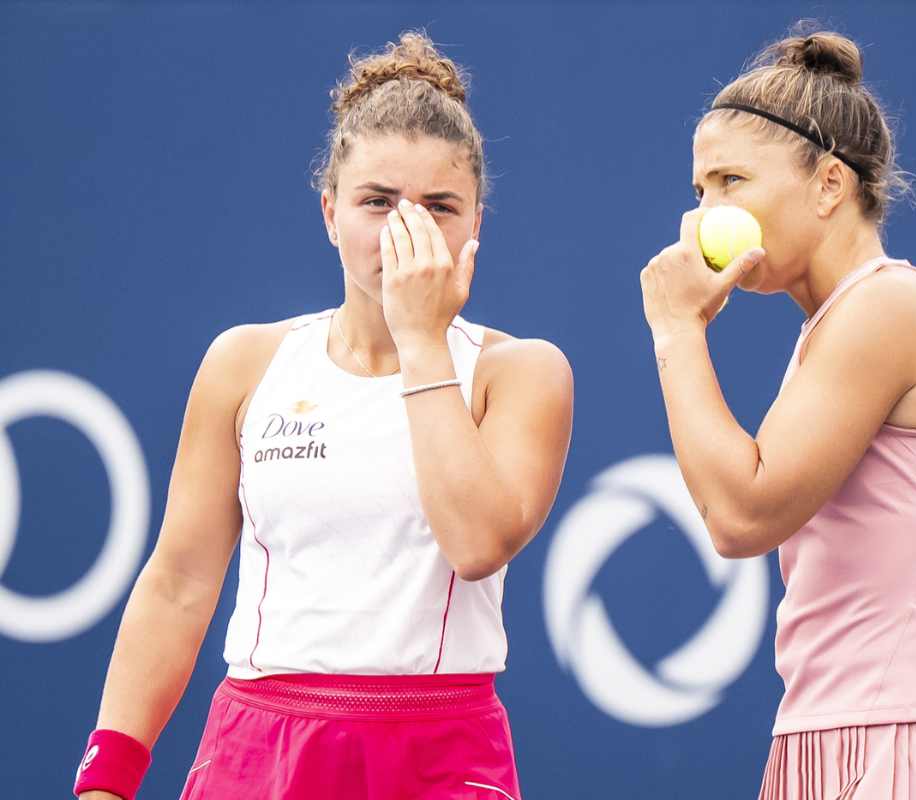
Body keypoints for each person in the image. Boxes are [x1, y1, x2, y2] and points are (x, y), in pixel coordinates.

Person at [74, 31, 572, 800]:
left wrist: (420, 340)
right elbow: (179, 581)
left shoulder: (523, 372)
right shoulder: (246, 363)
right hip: (259, 748)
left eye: (440, 207)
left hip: (441, 753)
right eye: (378, 202)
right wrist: (108, 777)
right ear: (330, 213)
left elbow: (477, 544)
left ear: (479, 223)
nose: (406, 231)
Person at [639, 24, 916, 799]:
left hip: (906, 753)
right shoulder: (838, 322)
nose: (704, 215)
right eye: (700, 191)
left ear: (828, 185)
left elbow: (741, 515)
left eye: (732, 182)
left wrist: (677, 329)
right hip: (825, 740)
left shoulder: (890, 307)